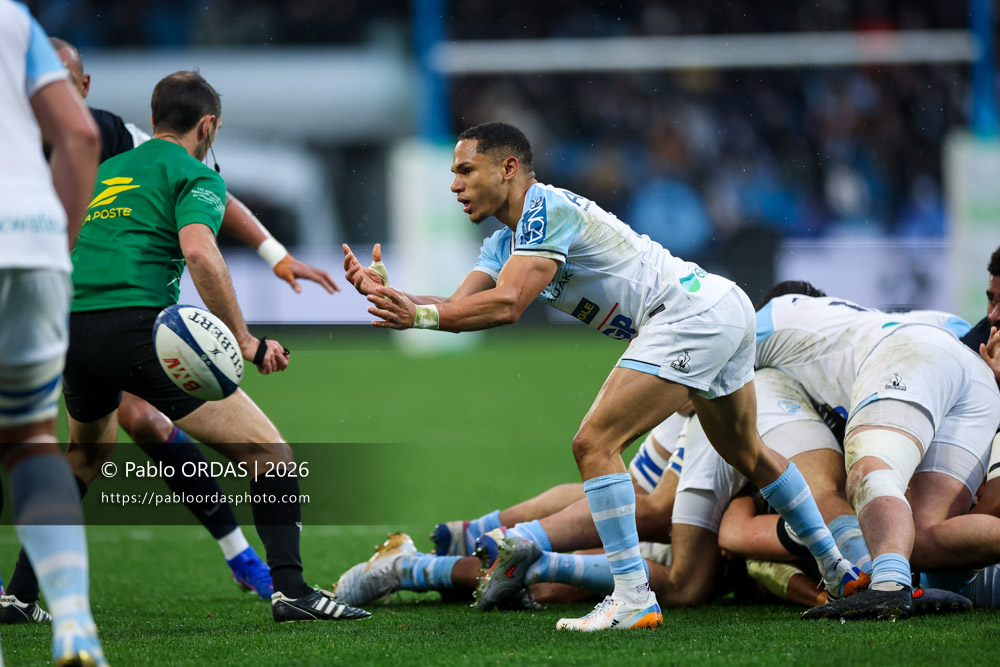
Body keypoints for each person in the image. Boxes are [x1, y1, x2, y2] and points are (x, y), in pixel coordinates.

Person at [344, 121, 864, 631]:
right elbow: (462, 308)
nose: (454, 184)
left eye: (465, 169)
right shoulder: (503, 244)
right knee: (747, 453)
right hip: (719, 306)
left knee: (594, 444)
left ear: (508, 168)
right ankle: (839, 572)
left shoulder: (545, 208)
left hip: (684, 313)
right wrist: (396, 297)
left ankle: (633, 598)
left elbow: (505, 306)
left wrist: (419, 315)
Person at [0, 38, 341, 622]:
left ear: (154, 119)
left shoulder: (105, 170)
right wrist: (247, 342)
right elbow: (203, 256)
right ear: (208, 126)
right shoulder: (194, 173)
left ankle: (19, 597)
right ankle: (294, 592)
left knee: (84, 457)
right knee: (271, 455)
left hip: (70, 333)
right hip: (137, 330)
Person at [755, 283, 1000, 620]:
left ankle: (888, 587)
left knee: (868, 472)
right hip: (976, 381)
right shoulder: (844, 319)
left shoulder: (763, 320)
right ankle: (898, 578)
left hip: (910, 353)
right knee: (924, 541)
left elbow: (693, 386)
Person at [0, 1, 106, 663]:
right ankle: (73, 622)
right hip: (35, 238)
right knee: (34, 442)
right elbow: (81, 137)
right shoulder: (13, 17)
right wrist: (59, 248)